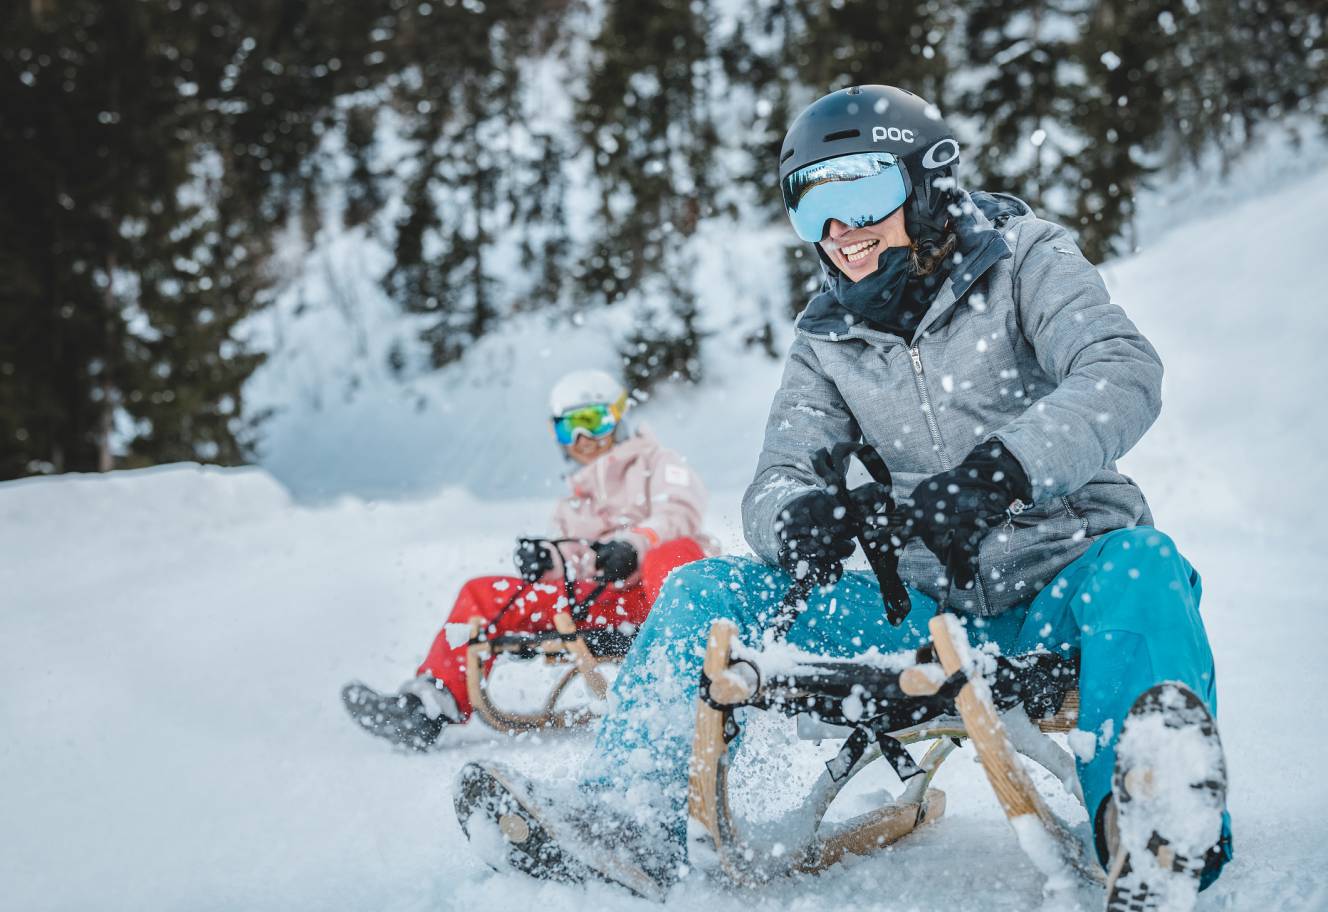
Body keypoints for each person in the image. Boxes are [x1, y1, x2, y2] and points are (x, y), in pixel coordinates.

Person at [454, 86, 1232, 909]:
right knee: (701, 588)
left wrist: (1000, 472)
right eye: (810, 207)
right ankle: (626, 819)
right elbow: (775, 479)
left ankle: (1148, 827)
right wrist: (800, 520)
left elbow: (1121, 372)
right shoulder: (827, 336)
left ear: (927, 183)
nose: (840, 233)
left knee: (1146, 567)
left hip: (1065, 585)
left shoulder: (1026, 259)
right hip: (924, 617)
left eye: (860, 193)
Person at [342, 368, 714, 750]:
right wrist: (549, 560)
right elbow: (576, 563)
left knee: (674, 552)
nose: (583, 438)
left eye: (592, 422)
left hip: (665, 600)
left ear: (619, 418)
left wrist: (633, 546)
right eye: (570, 428)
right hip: (604, 604)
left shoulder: (660, 463)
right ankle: (427, 705)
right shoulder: (574, 500)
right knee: (482, 593)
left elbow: (679, 514)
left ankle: (689, 672)